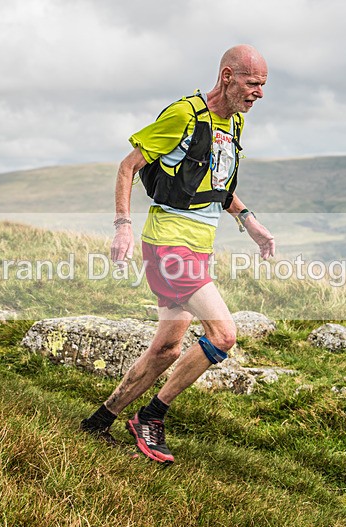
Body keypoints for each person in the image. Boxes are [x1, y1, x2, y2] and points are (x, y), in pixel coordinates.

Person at [80, 44, 275, 464]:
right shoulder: (183, 115)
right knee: (224, 335)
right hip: (169, 245)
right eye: (252, 83)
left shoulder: (234, 124)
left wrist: (249, 221)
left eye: (263, 85)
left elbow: (214, 184)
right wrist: (122, 225)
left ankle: (97, 423)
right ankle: (151, 417)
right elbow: (127, 166)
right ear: (227, 76)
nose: (259, 93)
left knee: (167, 349)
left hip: (197, 248)